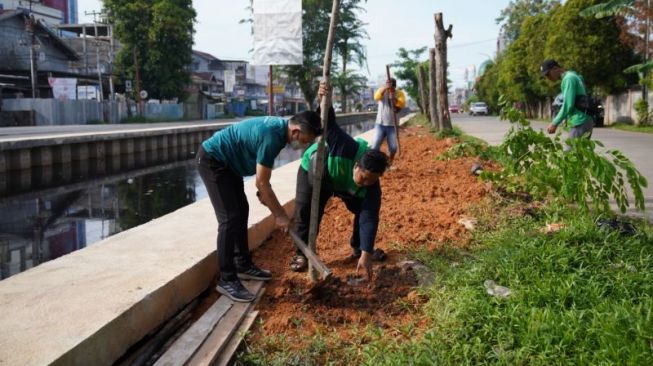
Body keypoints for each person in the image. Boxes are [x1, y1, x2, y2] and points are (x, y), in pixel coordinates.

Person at [197, 110, 323, 302]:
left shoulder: (280, 133)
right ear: (296, 131)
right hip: (214, 160)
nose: (305, 144)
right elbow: (262, 183)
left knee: (242, 210)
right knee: (229, 218)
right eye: (307, 140)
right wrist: (280, 214)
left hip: (230, 165)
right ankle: (226, 278)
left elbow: (261, 179)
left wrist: (264, 192)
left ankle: (242, 265)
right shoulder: (272, 136)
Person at [290, 83, 389, 280]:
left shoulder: (371, 187)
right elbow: (329, 122)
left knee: (362, 211)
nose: (366, 183)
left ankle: (357, 248)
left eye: (372, 181)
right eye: (364, 178)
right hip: (318, 172)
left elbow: (369, 218)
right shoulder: (345, 146)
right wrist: (324, 98)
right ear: (356, 166)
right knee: (307, 211)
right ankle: (302, 254)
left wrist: (366, 253)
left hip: (344, 185)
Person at [540, 59, 593, 143]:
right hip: (585, 119)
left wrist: (555, 123)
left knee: (570, 153)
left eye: (548, 74)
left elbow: (568, 105)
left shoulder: (568, 79)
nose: (548, 78)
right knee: (579, 154)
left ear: (555, 68)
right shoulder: (574, 75)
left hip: (579, 121)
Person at [372, 78, 406, 164]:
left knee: (393, 148)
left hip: (392, 126)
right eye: (386, 83)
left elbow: (401, 105)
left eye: (390, 84)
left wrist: (393, 98)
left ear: (394, 86)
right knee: (375, 146)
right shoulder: (382, 91)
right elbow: (376, 97)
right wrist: (385, 89)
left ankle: (388, 163)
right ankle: (373, 164)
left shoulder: (399, 93)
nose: (388, 85)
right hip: (380, 124)